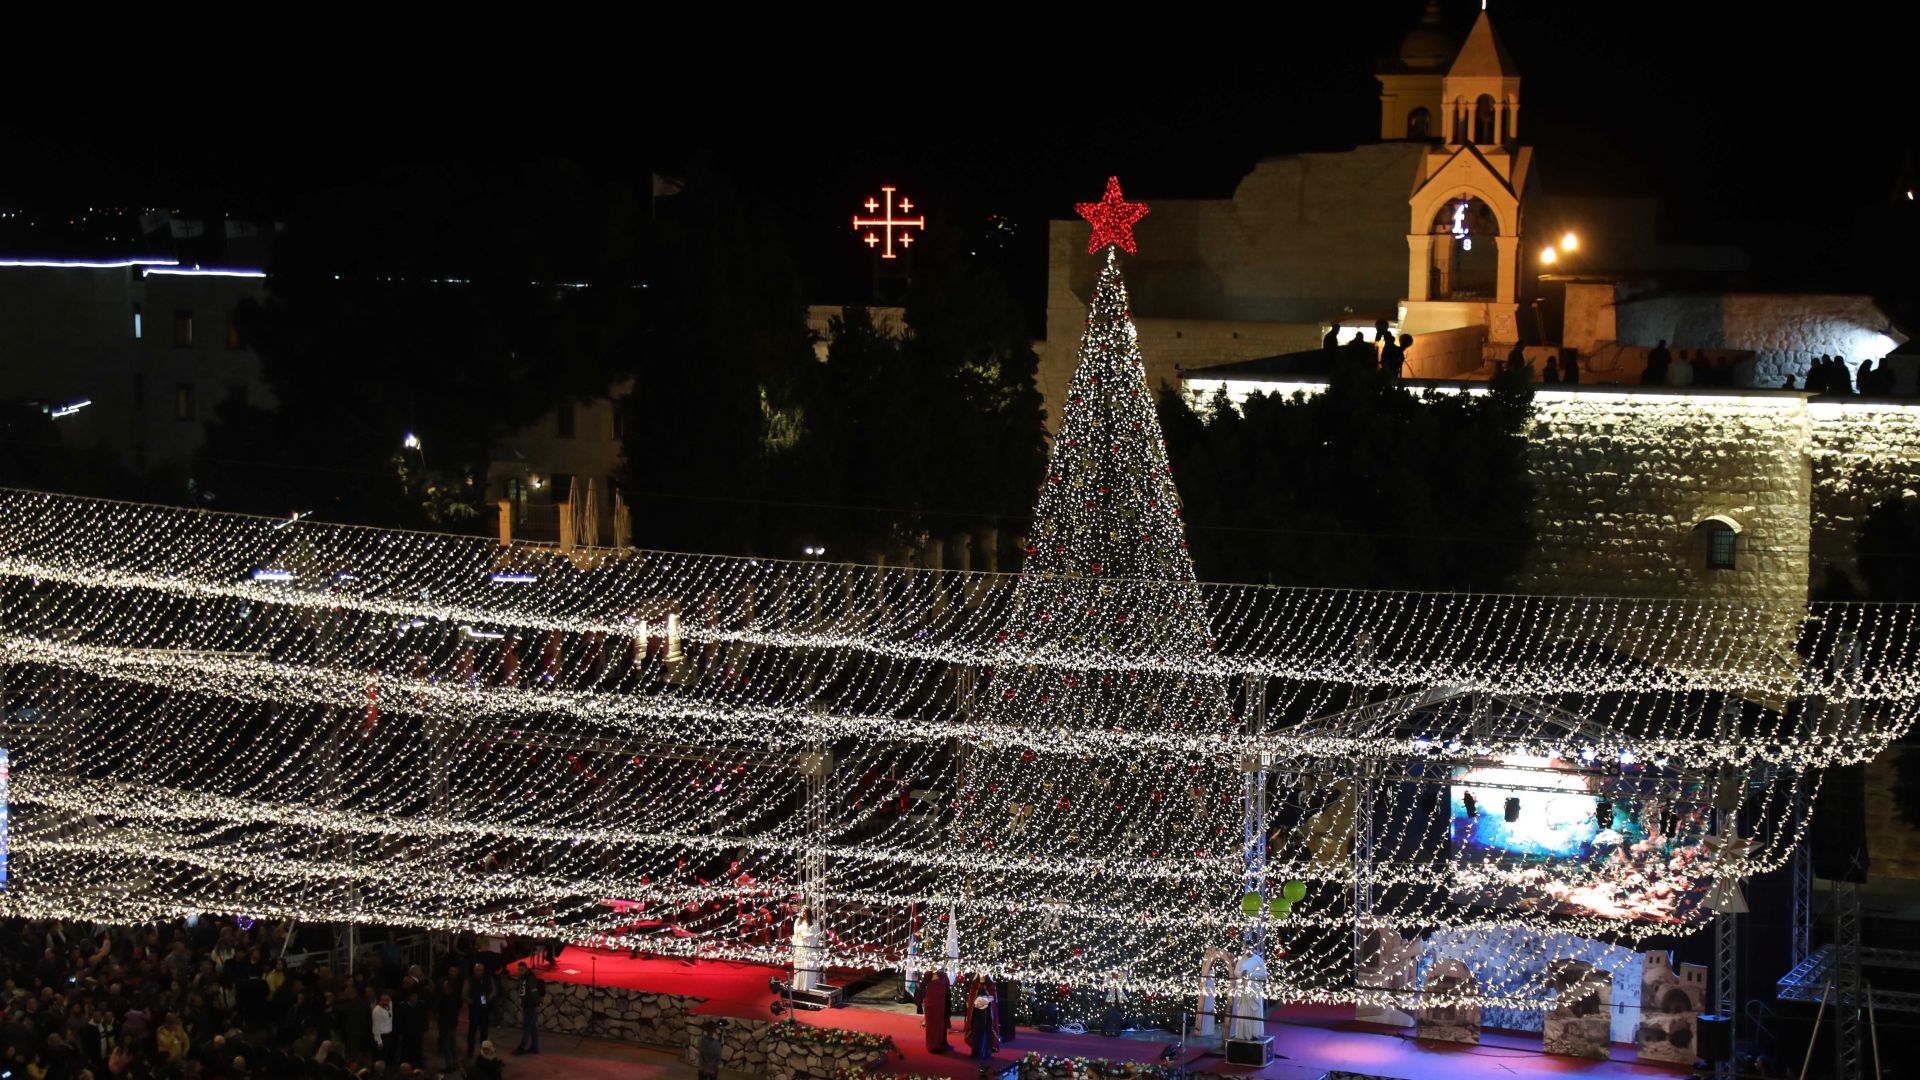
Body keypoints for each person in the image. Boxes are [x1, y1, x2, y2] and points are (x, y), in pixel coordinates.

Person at [1227, 949, 1268, 1042]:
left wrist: (1250, 975)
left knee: (1255, 1012)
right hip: (1243, 989)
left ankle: (1255, 1033)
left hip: (1254, 990)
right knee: (1243, 1010)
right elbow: (1236, 972)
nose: (1248, 951)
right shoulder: (1241, 959)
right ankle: (1243, 1034)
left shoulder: (1258, 960)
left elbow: (1264, 975)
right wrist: (1241, 974)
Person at [915, 968, 952, 1053]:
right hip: (930, 1006)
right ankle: (932, 1046)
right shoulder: (928, 975)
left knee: (940, 1025)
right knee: (931, 1026)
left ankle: (941, 1044)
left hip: (941, 1005)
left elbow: (948, 991)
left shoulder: (943, 976)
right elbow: (922, 989)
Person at [790, 906, 825, 993]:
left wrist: (805, 936)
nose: (802, 913)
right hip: (799, 946)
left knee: (807, 966)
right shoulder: (798, 921)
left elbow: (816, 935)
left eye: (804, 911)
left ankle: (808, 985)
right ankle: (798, 984)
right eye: (801, 911)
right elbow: (795, 932)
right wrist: (799, 937)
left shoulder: (814, 922)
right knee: (799, 965)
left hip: (809, 947)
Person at [964, 977, 998, 1062]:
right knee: (977, 1032)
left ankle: (985, 1053)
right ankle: (976, 1053)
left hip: (987, 1015)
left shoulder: (990, 984)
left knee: (985, 1033)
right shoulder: (974, 984)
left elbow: (993, 998)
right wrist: (975, 1004)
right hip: (976, 1014)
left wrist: (985, 1001)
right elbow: (971, 1000)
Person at [466, 962, 496, 1056]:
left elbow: (494, 990)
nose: (479, 972)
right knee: (472, 1031)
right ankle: (470, 1051)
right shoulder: (470, 980)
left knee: (484, 1032)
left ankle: (483, 1052)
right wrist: (472, 1002)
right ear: (474, 970)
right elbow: (464, 994)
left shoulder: (487, 978)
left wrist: (489, 997)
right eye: (477, 970)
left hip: (484, 1009)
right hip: (474, 1009)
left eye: (481, 970)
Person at [512, 964, 542, 1055]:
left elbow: (534, 991)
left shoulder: (529, 978)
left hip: (530, 1005)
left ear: (525, 969)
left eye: (521, 969)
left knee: (527, 1027)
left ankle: (522, 1047)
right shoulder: (524, 977)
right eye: (519, 969)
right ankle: (534, 1047)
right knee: (532, 1027)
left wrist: (537, 1004)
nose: (520, 971)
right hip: (528, 1005)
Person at [1195, 946, 1223, 1039]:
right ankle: (1202, 1029)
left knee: (1208, 1005)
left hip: (1209, 985)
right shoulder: (1206, 969)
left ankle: (1206, 1029)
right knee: (1205, 1005)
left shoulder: (1211, 972)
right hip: (1206, 985)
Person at [372, 992, 396, 1066]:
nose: (386, 1001)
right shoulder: (377, 1011)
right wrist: (379, 1041)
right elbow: (375, 1027)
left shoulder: (389, 1005)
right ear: (380, 1000)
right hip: (382, 1036)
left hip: (389, 1035)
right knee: (380, 1057)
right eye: (384, 1000)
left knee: (386, 1055)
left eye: (387, 1000)